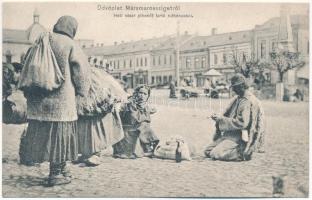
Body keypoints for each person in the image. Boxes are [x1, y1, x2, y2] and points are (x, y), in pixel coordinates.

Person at [19, 16, 90, 186]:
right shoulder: (71, 44)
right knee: (61, 136)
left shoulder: (41, 39)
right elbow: (81, 72)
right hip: (61, 102)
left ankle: (62, 169)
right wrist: (82, 92)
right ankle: (56, 173)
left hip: (39, 100)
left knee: (45, 134)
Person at [204, 74, 265, 161]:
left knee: (214, 153)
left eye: (235, 87)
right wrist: (219, 118)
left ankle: (241, 153)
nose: (233, 90)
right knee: (207, 151)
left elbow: (243, 123)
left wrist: (221, 119)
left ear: (241, 86)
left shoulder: (246, 101)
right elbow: (229, 115)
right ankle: (230, 149)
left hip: (239, 136)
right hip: (229, 133)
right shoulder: (238, 98)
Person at [113, 85, 159, 159]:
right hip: (128, 130)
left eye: (145, 94)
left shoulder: (143, 105)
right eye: (140, 93)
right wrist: (147, 111)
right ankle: (145, 149)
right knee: (144, 125)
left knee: (145, 125)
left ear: (148, 96)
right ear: (136, 93)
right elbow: (135, 118)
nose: (142, 96)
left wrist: (147, 110)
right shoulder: (130, 103)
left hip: (135, 128)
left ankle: (146, 148)